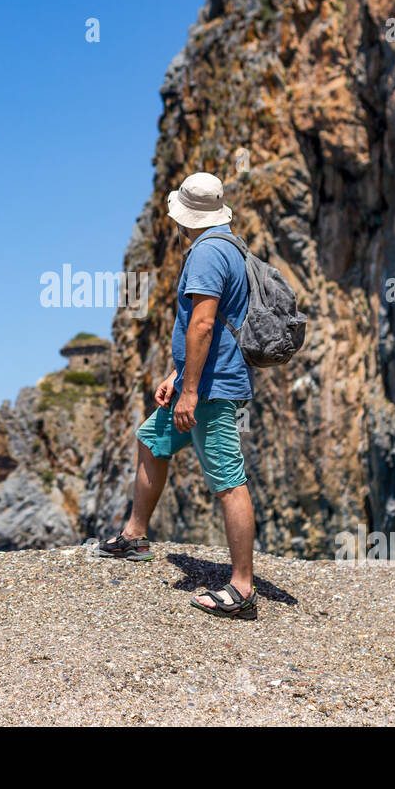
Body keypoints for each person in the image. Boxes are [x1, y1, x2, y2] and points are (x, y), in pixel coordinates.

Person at [97, 171, 258, 619]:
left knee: (228, 481)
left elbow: (204, 324)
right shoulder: (230, 245)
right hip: (200, 379)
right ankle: (135, 535)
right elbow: (213, 324)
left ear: (189, 215)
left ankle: (242, 588)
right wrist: (175, 373)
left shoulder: (207, 253)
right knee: (152, 438)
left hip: (211, 387)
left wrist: (189, 391)